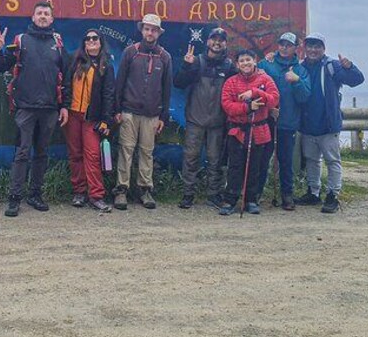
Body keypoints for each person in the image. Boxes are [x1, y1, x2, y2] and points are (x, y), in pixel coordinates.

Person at [0, 1, 70, 217]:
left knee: (42, 153)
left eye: (46, 13)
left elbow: (66, 78)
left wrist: (64, 106)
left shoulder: (58, 43)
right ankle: (14, 198)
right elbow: (0, 66)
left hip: (50, 109)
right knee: (22, 153)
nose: (43, 16)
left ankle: (35, 195)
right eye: (39, 13)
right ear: (33, 17)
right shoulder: (21, 40)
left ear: (52, 19)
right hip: (25, 108)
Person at [296, 32, 365, 213]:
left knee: (332, 161)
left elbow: (357, 80)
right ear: (305, 48)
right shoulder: (300, 67)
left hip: (328, 125)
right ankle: (313, 192)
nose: (313, 50)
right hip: (308, 125)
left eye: (317, 46)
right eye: (310, 46)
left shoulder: (332, 66)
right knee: (312, 160)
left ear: (323, 49)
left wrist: (350, 67)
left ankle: (333, 195)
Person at [112, 13, 173, 210]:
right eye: (147, 29)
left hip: (152, 114)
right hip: (129, 111)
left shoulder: (165, 57)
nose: (150, 33)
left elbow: (167, 89)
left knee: (147, 152)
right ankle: (121, 190)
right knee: (126, 150)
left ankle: (145, 190)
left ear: (159, 33)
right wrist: (117, 109)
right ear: (142, 30)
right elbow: (120, 82)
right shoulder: (130, 52)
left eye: (154, 30)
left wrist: (163, 116)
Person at [173, 27, 237, 209]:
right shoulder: (196, 62)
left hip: (218, 122)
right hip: (195, 120)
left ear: (225, 44)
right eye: (214, 39)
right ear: (208, 41)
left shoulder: (230, 67)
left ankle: (213, 194)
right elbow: (178, 83)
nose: (217, 43)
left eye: (221, 40)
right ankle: (188, 194)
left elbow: (241, 84)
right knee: (190, 158)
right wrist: (186, 66)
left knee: (215, 160)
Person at [219, 49, 279, 215]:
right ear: (237, 64)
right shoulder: (231, 82)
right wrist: (247, 107)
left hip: (259, 130)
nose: (245, 63)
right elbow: (227, 105)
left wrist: (255, 92)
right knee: (235, 167)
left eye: (248, 60)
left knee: (255, 167)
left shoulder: (265, 79)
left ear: (255, 61)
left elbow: (274, 99)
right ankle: (230, 200)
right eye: (242, 61)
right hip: (237, 131)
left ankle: (251, 200)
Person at [63, 29, 115, 213]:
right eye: (88, 38)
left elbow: (109, 94)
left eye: (95, 38)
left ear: (101, 42)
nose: (91, 41)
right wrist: (64, 107)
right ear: (84, 42)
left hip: (92, 118)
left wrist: (107, 120)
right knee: (75, 154)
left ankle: (96, 196)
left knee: (92, 155)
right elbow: (66, 85)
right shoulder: (74, 60)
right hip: (72, 115)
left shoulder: (106, 65)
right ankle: (79, 192)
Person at [258, 32, 311, 210]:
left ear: (295, 47)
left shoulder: (301, 70)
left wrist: (296, 81)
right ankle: (255, 194)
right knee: (262, 159)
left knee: (286, 161)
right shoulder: (266, 63)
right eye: (282, 44)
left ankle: (287, 195)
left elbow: (304, 97)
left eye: (288, 45)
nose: (284, 48)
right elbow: (254, 84)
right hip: (266, 121)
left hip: (288, 123)